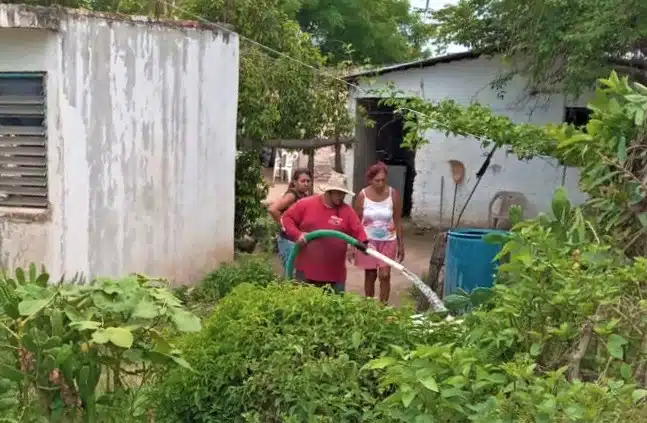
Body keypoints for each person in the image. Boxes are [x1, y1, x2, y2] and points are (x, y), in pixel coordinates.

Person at [281, 171, 367, 293]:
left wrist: (365, 245)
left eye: (343, 193)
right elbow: (286, 218)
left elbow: (359, 231)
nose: (341, 196)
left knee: (335, 309)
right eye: (338, 193)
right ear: (328, 191)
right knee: (303, 307)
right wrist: (297, 234)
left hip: (335, 275)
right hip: (306, 271)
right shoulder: (307, 204)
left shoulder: (347, 212)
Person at [352, 161, 404, 303]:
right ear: (370, 180)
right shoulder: (362, 195)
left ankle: (383, 307)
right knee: (370, 274)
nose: (380, 183)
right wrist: (352, 245)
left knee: (385, 275)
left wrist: (401, 244)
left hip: (388, 240)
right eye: (377, 180)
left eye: (383, 180)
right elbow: (356, 222)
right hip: (368, 241)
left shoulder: (393, 194)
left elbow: (398, 220)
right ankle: (369, 306)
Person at [267, 168, 312, 270]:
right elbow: (272, 209)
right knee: (291, 272)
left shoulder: (304, 196)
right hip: (287, 240)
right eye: (303, 181)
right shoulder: (292, 195)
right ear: (295, 182)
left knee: (297, 272)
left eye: (308, 181)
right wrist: (284, 224)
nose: (306, 184)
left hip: (296, 239)